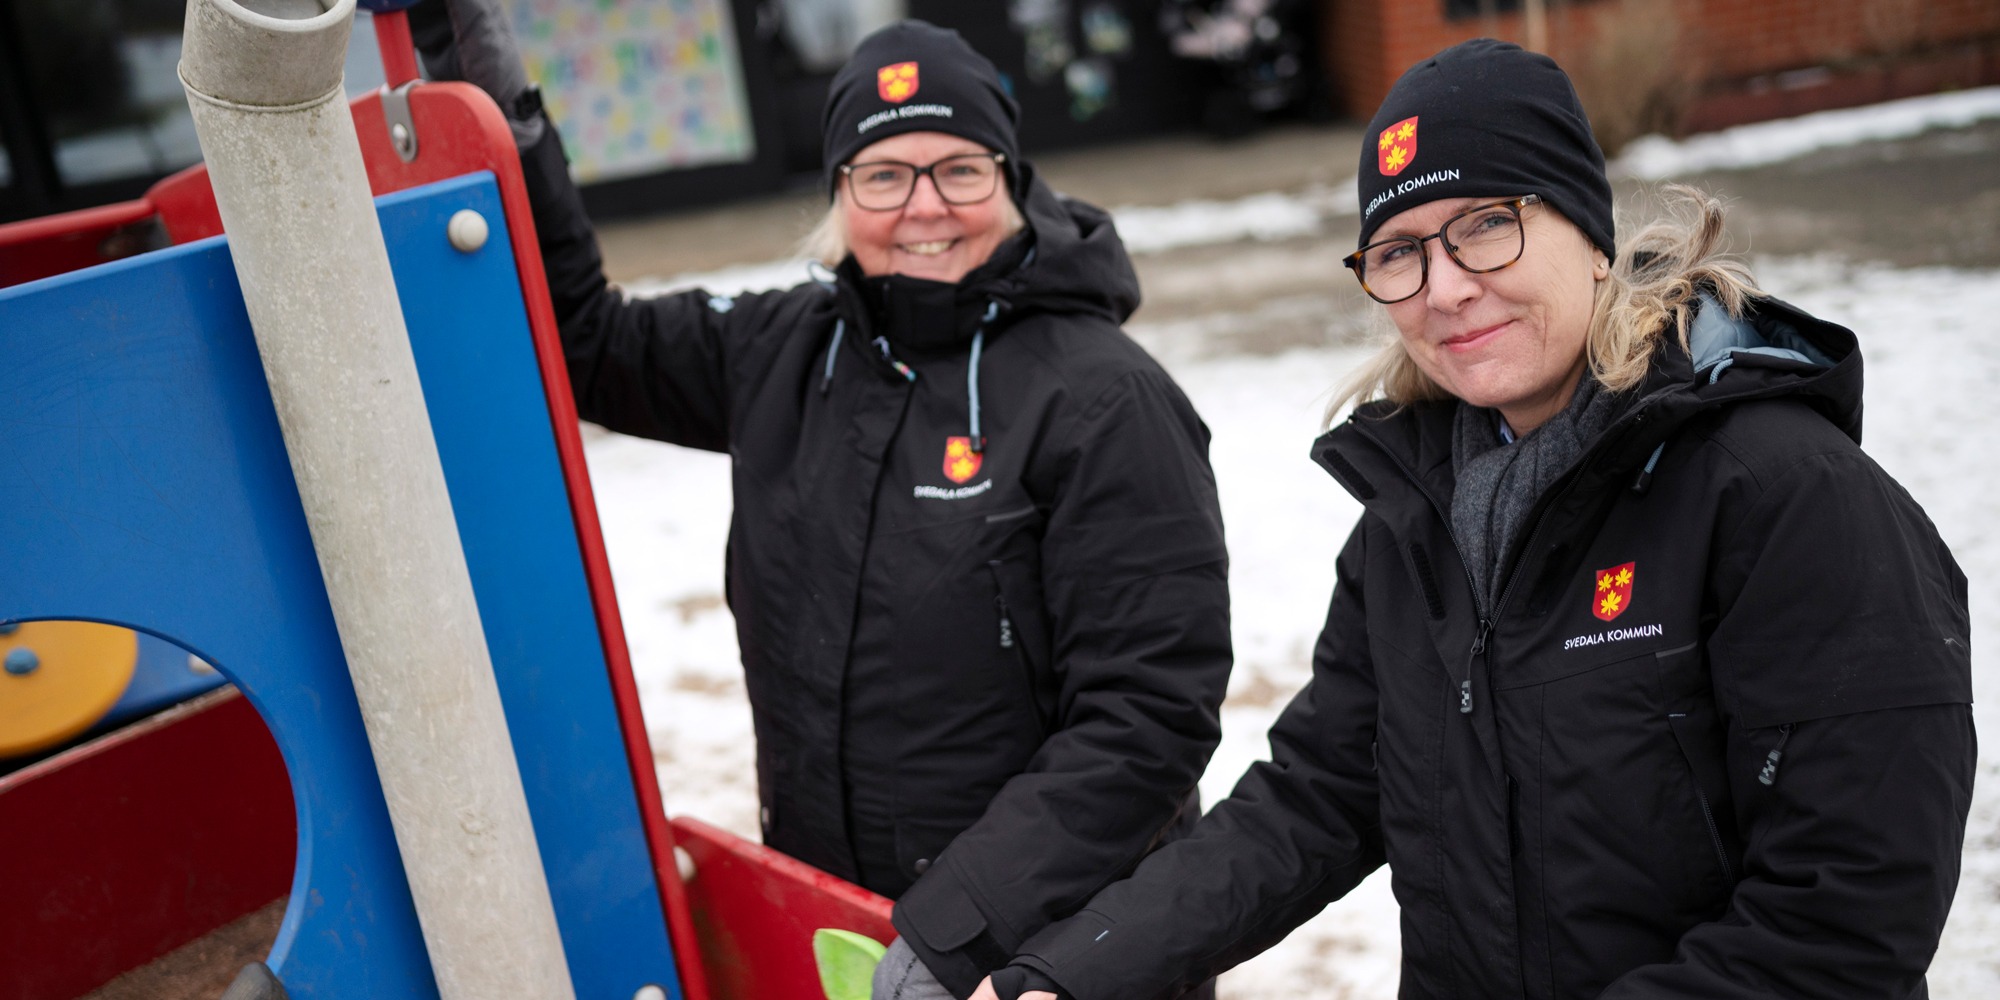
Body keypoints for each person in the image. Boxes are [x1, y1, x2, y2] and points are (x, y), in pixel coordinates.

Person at [977, 38, 1975, 1000]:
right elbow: (1312, 800)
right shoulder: (1412, 523)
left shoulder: (1781, 498)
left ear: (1587, 234)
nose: (1445, 287)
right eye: (1397, 251)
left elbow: (1840, 929)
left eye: (1486, 225)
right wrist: (1071, 973)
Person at [408, 6, 1232, 999]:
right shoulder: (781, 350)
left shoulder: (1105, 401)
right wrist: (501, 119)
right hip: (840, 931)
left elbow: (1147, 720)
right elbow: (582, 341)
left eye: (959, 170)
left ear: (1011, 184)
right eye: (883, 175)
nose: (922, 207)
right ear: (840, 196)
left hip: (1042, 958)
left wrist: (952, 927)